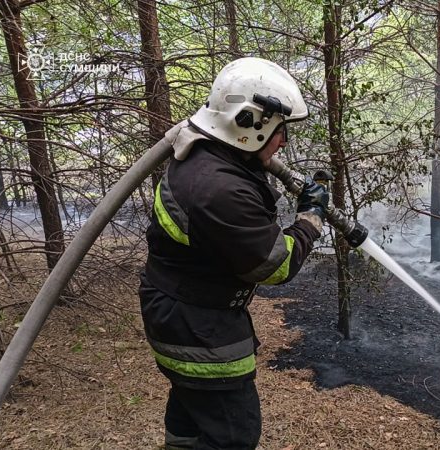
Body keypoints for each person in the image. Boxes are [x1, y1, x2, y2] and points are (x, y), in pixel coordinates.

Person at [139, 57, 329, 450]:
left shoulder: (207, 158)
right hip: (199, 329)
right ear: (250, 124)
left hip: (181, 314)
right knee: (233, 435)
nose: (283, 143)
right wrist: (310, 218)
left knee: (191, 410)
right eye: (280, 131)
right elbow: (275, 265)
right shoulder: (218, 189)